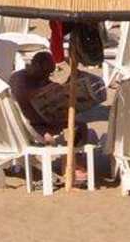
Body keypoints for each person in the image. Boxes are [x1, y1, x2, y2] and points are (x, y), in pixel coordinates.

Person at [9, 50, 102, 183]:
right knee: (78, 126)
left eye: (49, 74)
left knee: (76, 120)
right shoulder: (21, 80)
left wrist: (63, 87)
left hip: (36, 120)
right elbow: (28, 96)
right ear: (36, 66)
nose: (47, 76)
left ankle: (73, 161)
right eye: (45, 73)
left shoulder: (28, 77)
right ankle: (73, 165)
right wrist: (50, 90)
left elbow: (45, 89)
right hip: (36, 126)